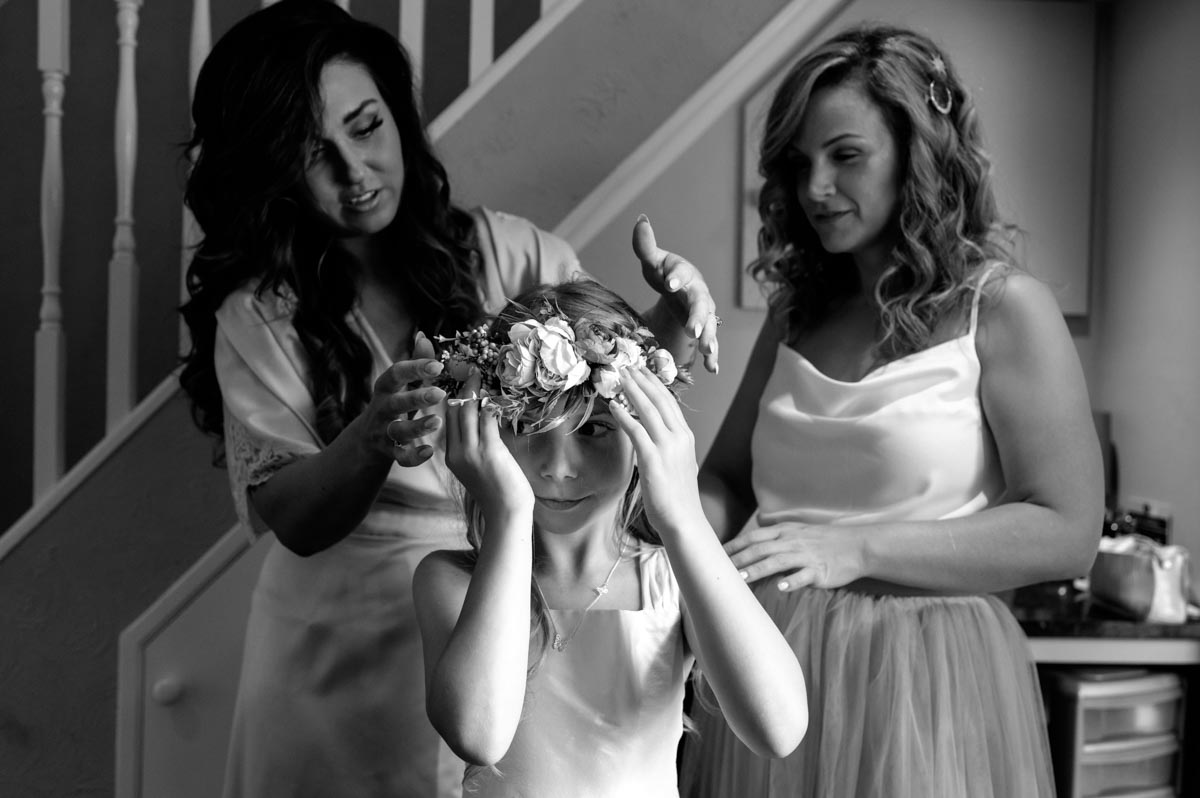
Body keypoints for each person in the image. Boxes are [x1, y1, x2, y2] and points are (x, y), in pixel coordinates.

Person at [176, 2, 719, 796]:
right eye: (312, 155)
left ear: (398, 114)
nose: (354, 173)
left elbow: (602, 402)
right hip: (336, 646)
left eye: (366, 128)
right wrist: (368, 439)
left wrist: (668, 324)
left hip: (506, 602)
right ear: (272, 171)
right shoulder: (261, 311)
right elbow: (289, 517)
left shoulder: (512, 252)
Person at [678, 24, 1103, 798]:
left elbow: (1068, 531)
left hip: (926, 674)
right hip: (771, 656)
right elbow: (730, 478)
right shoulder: (795, 313)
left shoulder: (1005, 310)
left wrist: (854, 548)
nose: (815, 188)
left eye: (845, 155)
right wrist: (669, 544)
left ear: (918, 154)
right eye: (800, 162)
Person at [412, 279, 807, 797]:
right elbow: (479, 736)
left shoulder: (671, 578)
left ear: (643, 431)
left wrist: (684, 517)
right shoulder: (450, 580)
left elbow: (778, 730)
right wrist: (508, 512)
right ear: (489, 428)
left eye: (593, 429)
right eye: (527, 425)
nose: (556, 467)